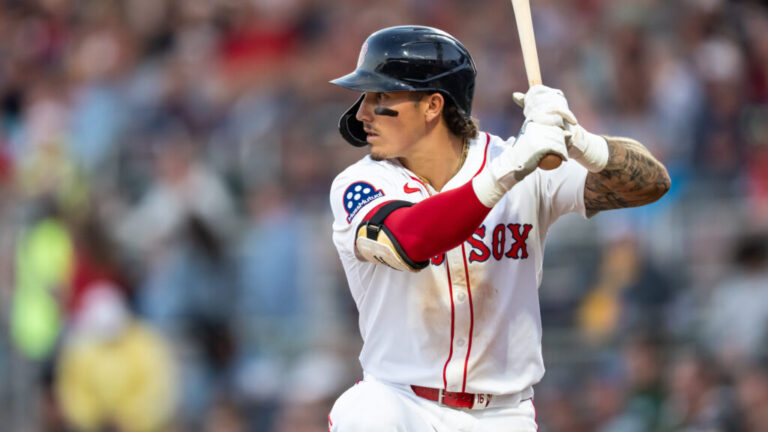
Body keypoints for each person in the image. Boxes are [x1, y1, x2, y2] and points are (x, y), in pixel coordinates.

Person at [327, 25, 670, 431]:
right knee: (361, 413)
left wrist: (577, 138)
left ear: (433, 105)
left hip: (503, 413)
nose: (363, 112)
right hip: (400, 402)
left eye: (381, 96)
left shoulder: (520, 161)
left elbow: (652, 183)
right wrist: (508, 170)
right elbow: (409, 241)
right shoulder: (361, 182)